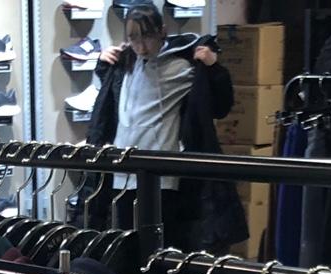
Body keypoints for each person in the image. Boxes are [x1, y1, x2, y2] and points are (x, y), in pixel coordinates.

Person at [87, 4, 247, 252]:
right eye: (134, 37)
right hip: (123, 172)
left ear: (162, 32)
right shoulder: (126, 63)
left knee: (164, 247)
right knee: (127, 248)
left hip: (163, 175)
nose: (141, 45)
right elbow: (112, 106)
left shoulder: (182, 65)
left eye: (147, 36)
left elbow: (219, 106)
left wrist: (213, 68)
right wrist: (103, 66)